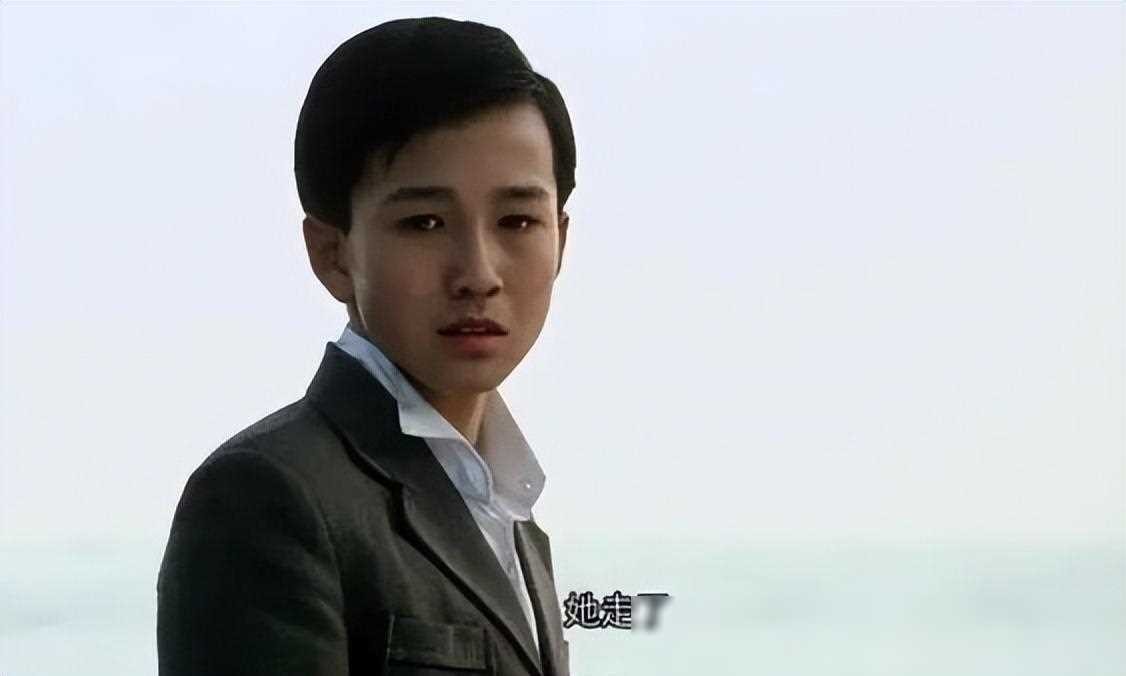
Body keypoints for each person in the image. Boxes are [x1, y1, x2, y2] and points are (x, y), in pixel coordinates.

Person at [156, 17, 576, 676]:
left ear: (561, 240)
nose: (478, 273)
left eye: (518, 220)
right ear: (333, 254)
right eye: (425, 222)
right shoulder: (266, 498)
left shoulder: (508, 512)